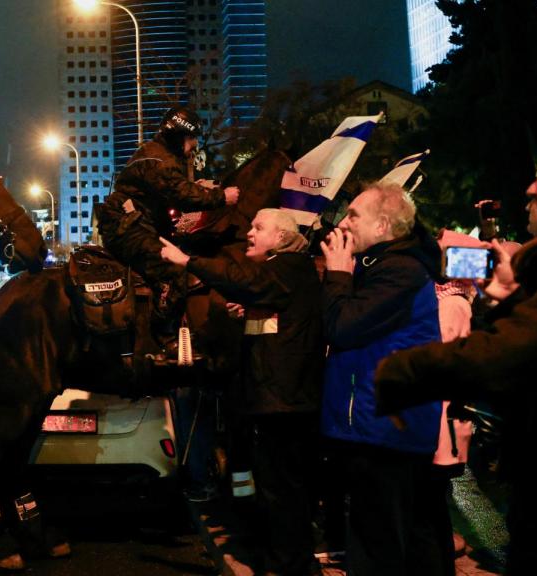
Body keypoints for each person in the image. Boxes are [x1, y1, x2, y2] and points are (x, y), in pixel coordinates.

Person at [162, 208, 324, 575]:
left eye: (258, 227)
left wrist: (186, 260)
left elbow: (243, 278)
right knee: (276, 487)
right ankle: (280, 555)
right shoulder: (285, 273)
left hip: (284, 404)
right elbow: (280, 322)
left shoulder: (285, 267)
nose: (249, 232)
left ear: (282, 237)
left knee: (284, 491)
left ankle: (289, 565)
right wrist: (250, 311)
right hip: (278, 401)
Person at [376, 236, 537, 574]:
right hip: (479, 432)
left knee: (428, 507)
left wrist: (397, 371)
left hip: (441, 420)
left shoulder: (452, 304)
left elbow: (482, 357)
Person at [319, 182, 448, 575]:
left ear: (383, 226)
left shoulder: (398, 271)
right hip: (384, 427)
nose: (344, 223)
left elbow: (342, 327)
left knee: (379, 545)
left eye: (355, 214)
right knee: (409, 539)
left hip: (387, 430)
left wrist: (338, 275)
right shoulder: (384, 267)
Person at [97, 106, 239, 309]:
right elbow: (181, 195)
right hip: (128, 230)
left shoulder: (158, 154)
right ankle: (165, 334)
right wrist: (222, 196)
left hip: (133, 225)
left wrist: (197, 188)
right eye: (191, 138)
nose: (195, 144)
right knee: (174, 269)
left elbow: (171, 190)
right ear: (177, 136)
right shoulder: (160, 160)